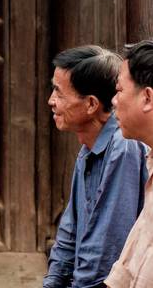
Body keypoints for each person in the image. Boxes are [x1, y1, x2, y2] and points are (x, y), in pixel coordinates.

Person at [43, 46, 148, 288]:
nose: (51, 101)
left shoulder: (123, 147)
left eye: (59, 93)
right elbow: (69, 235)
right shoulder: (88, 147)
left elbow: (105, 251)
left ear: (91, 104)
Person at [105, 40, 153, 287]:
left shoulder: (125, 150)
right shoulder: (151, 161)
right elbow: (136, 253)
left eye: (119, 90)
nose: (113, 100)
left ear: (147, 98)